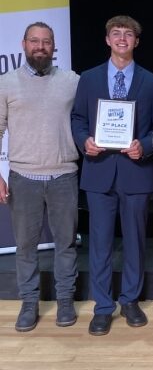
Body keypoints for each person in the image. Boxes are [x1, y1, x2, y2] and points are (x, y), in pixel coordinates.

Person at [71, 15, 153, 336]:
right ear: (107, 40)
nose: (122, 38)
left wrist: (147, 146)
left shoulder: (152, 82)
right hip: (99, 173)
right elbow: (78, 118)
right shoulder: (89, 78)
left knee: (135, 242)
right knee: (99, 243)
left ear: (136, 42)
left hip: (135, 173)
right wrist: (84, 140)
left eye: (129, 34)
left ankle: (129, 300)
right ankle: (102, 307)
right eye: (116, 33)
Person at [0, 22, 80, 332]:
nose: (40, 47)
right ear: (24, 44)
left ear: (54, 47)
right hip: (23, 177)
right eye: (34, 41)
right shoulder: (6, 82)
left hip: (64, 176)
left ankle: (64, 301)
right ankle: (29, 303)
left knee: (66, 245)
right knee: (25, 247)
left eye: (46, 42)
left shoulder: (72, 81)